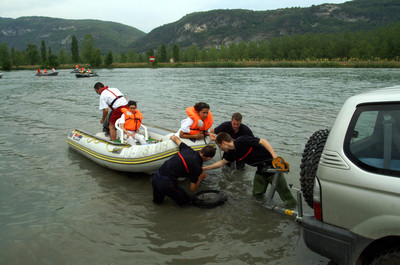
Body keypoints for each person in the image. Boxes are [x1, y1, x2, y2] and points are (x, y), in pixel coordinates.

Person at [203, 132, 297, 208]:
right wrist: (204, 168)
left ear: (224, 142)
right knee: (257, 193)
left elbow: (263, 141)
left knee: (285, 194)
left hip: (272, 166)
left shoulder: (242, 140)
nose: (221, 149)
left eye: (220, 146)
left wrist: (275, 156)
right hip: (261, 169)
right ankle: (261, 210)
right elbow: (221, 163)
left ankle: (293, 209)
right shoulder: (231, 152)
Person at [152, 135, 216, 207]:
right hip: (166, 184)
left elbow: (176, 139)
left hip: (155, 177)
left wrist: (172, 137)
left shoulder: (187, 149)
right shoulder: (197, 168)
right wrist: (200, 178)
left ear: (201, 149)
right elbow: (192, 189)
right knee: (187, 204)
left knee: (157, 203)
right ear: (208, 158)